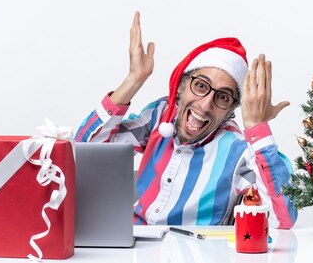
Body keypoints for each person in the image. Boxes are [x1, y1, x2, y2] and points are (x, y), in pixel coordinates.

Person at [75, 12, 297, 228]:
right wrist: (133, 81)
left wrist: (256, 128)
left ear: (231, 109)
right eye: (200, 85)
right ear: (181, 85)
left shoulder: (238, 149)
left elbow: (282, 219)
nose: (205, 104)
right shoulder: (160, 115)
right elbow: (87, 149)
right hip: (137, 247)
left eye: (222, 97)